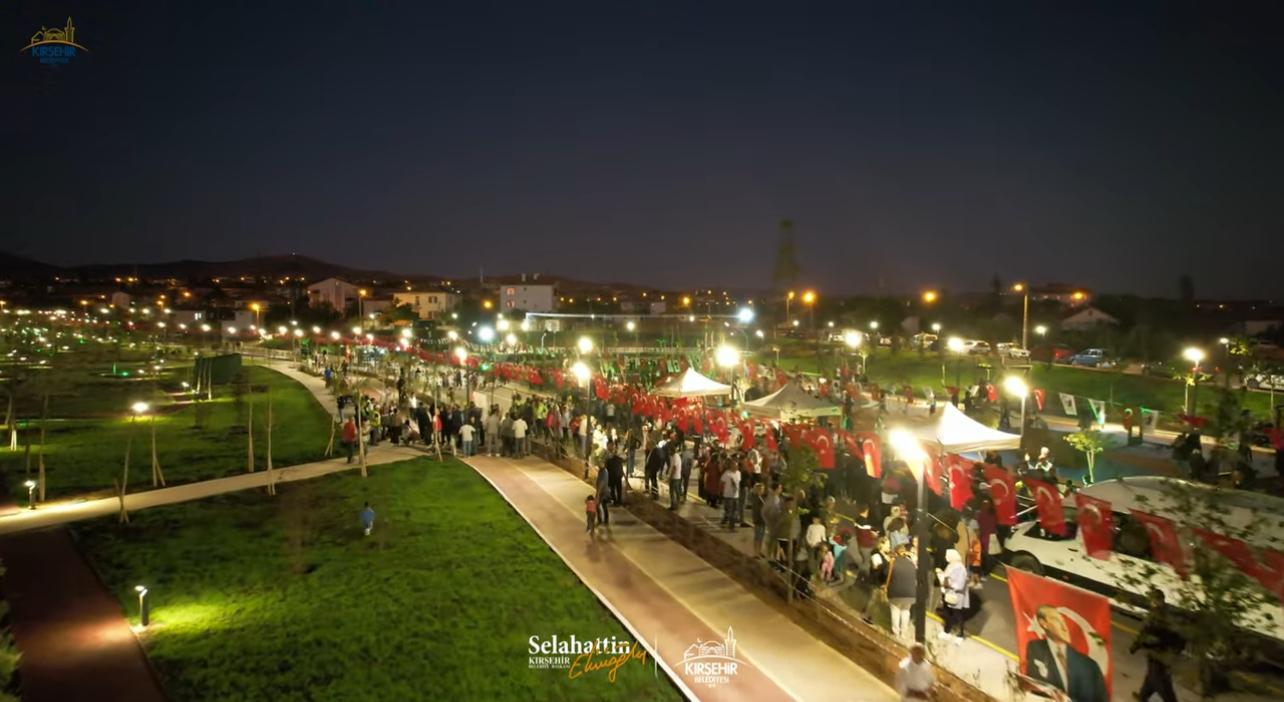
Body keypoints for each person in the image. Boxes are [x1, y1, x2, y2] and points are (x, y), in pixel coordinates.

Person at [1025, 604, 1108, 702]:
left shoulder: (1090, 666)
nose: (1064, 627)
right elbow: (1034, 684)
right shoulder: (1035, 648)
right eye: (1057, 620)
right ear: (1043, 623)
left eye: (1064, 621)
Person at [1131, 589, 1183, 702]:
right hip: (1162, 653)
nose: (1151, 602)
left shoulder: (1157, 615)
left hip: (1159, 654)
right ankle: (1142, 697)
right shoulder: (1168, 613)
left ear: (1157, 600)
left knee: (1159, 681)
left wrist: (1136, 645)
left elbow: (1145, 632)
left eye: (1153, 600)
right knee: (1150, 677)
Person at [937, 548, 969, 644]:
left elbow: (960, 584)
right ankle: (947, 631)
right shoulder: (951, 565)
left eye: (948, 556)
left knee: (957, 615)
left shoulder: (960, 568)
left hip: (956, 596)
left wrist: (948, 584)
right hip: (948, 594)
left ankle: (960, 635)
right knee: (947, 613)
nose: (946, 558)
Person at [886, 544, 917, 640]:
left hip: (896, 592)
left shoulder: (893, 561)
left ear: (896, 552)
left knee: (895, 611)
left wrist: (886, 587)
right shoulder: (912, 563)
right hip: (911, 593)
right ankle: (903, 633)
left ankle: (895, 632)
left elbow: (889, 577)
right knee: (906, 612)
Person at [720, 461, 741, 530]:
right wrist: (721, 492)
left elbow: (738, 483)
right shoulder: (727, 473)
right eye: (735, 465)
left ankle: (725, 521)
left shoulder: (738, 473)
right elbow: (721, 482)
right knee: (730, 511)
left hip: (736, 495)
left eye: (737, 466)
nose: (736, 467)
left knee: (735, 511)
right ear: (731, 466)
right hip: (728, 495)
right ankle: (731, 526)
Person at [749, 482, 768, 557]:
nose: (762, 490)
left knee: (761, 537)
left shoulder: (760, 498)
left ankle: (759, 551)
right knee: (757, 537)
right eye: (761, 489)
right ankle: (755, 552)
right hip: (758, 519)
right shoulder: (756, 499)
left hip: (762, 520)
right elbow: (757, 510)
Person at [666, 444, 683, 510]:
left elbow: (674, 468)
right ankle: (676, 505)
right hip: (677, 477)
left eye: (669, 451)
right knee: (676, 491)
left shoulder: (675, 457)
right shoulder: (675, 456)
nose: (668, 452)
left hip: (675, 478)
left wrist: (670, 477)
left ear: (671, 451)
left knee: (673, 492)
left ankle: (674, 506)